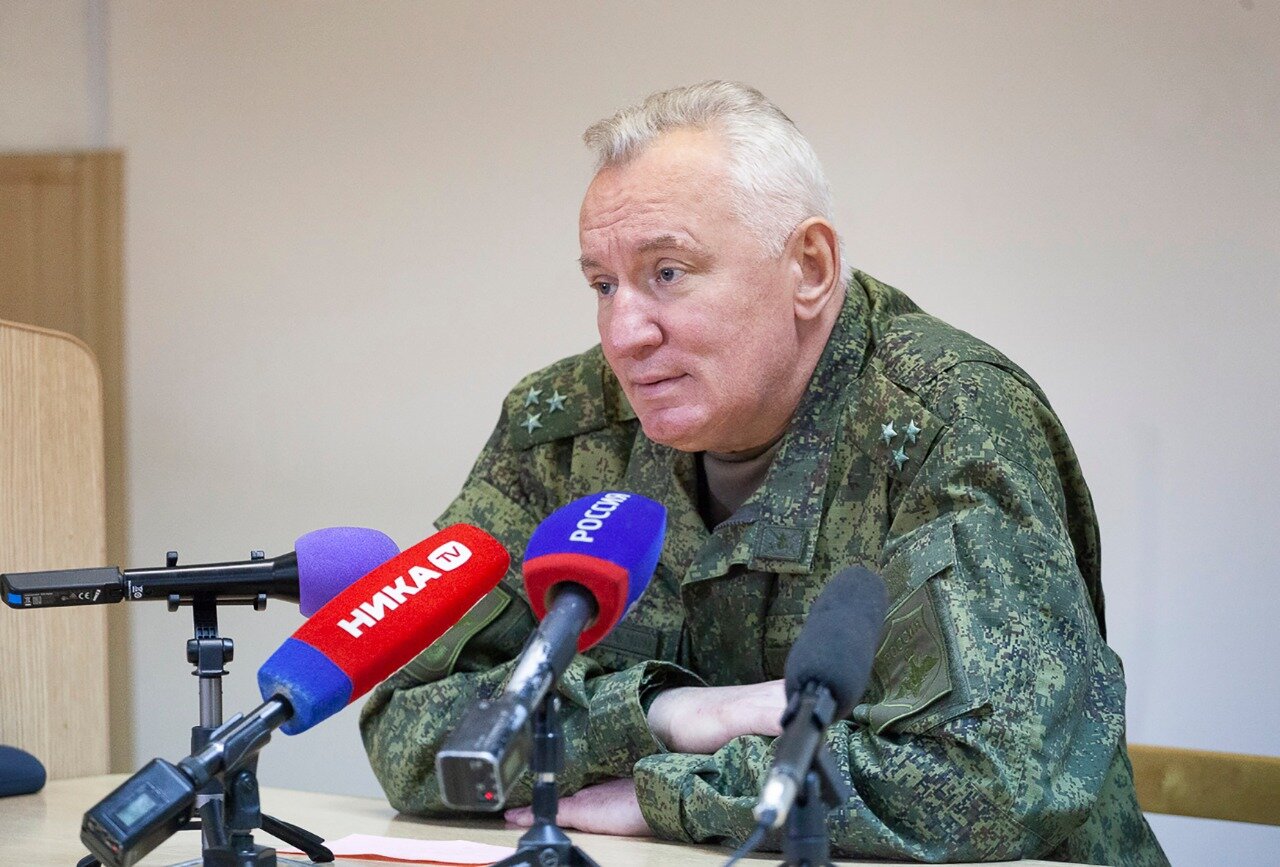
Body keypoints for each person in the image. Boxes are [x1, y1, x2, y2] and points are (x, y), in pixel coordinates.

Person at [360, 81, 1168, 865]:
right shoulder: (563, 432)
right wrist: (667, 712)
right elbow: (406, 726)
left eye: (667, 272)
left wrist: (668, 795)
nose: (624, 332)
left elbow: (989, 781)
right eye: (603, 285)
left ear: (809, 268)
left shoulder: (950, 420)